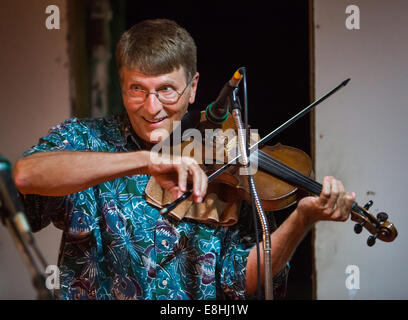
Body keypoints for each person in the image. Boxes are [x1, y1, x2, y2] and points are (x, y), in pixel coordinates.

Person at [13, 19, 355, 300]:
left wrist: (301, 220)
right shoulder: (85, 138)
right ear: (122, 86)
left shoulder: (231, 160)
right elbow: (27, 174)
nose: (152, 107)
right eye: (137, 89)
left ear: (193, 88)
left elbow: (244, 281)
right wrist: (144, 161)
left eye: (166, 89)